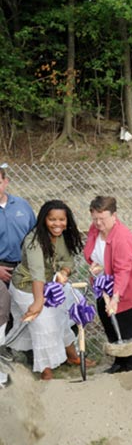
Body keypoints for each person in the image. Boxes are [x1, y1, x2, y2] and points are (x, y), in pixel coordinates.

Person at [8, 200, 85, 380]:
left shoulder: (62, 236)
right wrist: (38, 302)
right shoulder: (33, 240)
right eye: (52, 219)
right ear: (44, 220)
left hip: (50, 284)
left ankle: (72, 356)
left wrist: (64, 272)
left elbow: (67, 261)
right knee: (44, 324)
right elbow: (37, 273)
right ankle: (46, 370)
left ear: (67, 220)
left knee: (69, 309)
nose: (57, 224)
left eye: (61, 220)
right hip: (27, 288)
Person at [84, 196, 132, 372]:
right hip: (105, 287)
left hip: (131, 290)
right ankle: (120, 363)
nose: (98, 223)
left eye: (102, 219)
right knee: (111, 325)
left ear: (114, 216)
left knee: (131, 333)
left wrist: (115, 298)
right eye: (95, 218)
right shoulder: (95, 229)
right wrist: (93, 265)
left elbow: (123, 271)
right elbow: (90, 252)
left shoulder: (122, 237)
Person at [0, 165, 36, 387]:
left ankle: (34, 355)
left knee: (29, 309)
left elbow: (34, 236)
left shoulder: (22, 205)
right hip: (0, 268)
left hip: (24, 266)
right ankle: (3, 362)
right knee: (3, 308)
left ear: (6, 181)